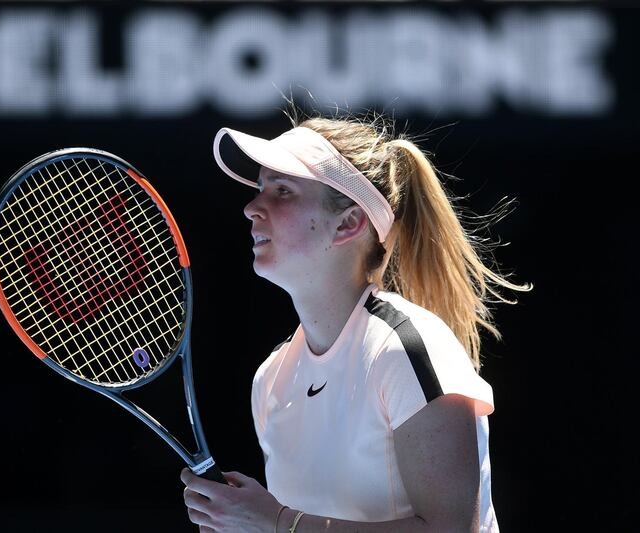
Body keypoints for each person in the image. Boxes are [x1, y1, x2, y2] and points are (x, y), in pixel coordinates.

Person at [181, 109, 531, 532]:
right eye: (259, 189)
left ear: (348, 223)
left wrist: (277, 523)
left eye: (283, 191)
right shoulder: (270, 379)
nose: (253, 207)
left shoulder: (406, 348)